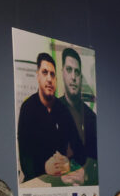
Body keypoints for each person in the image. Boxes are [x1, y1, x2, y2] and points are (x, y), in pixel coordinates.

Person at [17, 52, 82, 182]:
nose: (49, 79)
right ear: (38, 76)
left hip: (61, 179)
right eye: (45, 72)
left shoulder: (63, 109)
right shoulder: (28, 108)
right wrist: (44, 167)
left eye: (52, 74)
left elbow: (77, 146)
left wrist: (68, 163)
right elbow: (25, 158)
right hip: (37, 182)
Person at [58, 47, 97, 182]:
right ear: (62, 73)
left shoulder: (91, 117)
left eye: (77, 72)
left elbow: (95, 157)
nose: (73, 77)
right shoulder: (51, 111)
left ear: (80, 77)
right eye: (69, 70)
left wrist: (86, 172)